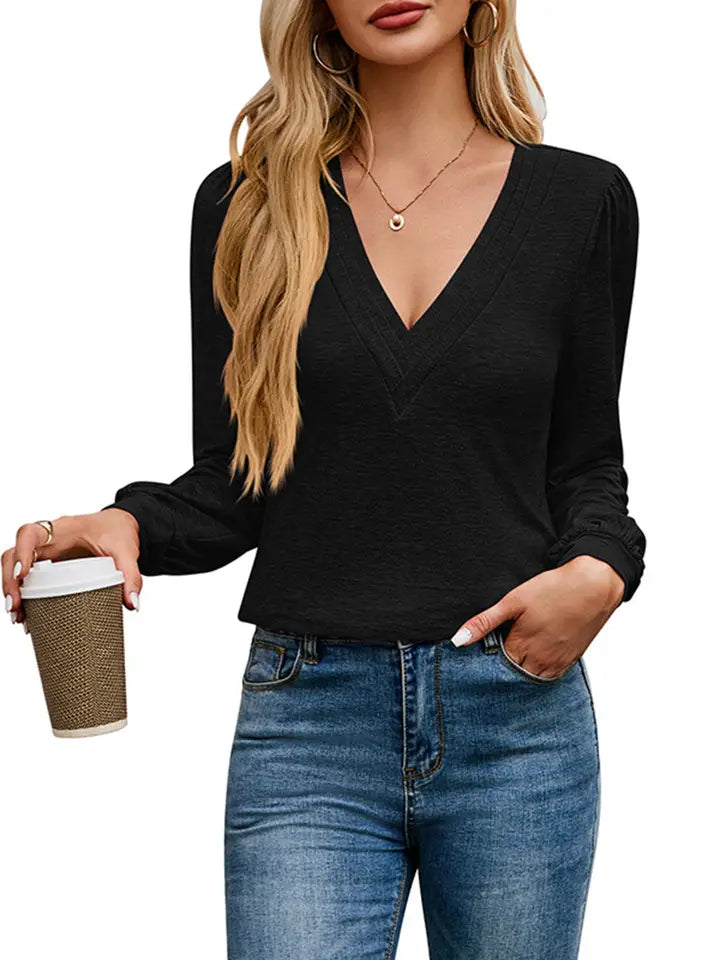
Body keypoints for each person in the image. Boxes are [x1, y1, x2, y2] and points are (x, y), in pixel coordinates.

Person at [2, 1, 647, 957]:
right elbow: (238, 481)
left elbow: (587, 462)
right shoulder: (244, 205)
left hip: (518, 717)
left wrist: (602, 569)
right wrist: (124, 521)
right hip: (309, 724)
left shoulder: (581, 201)